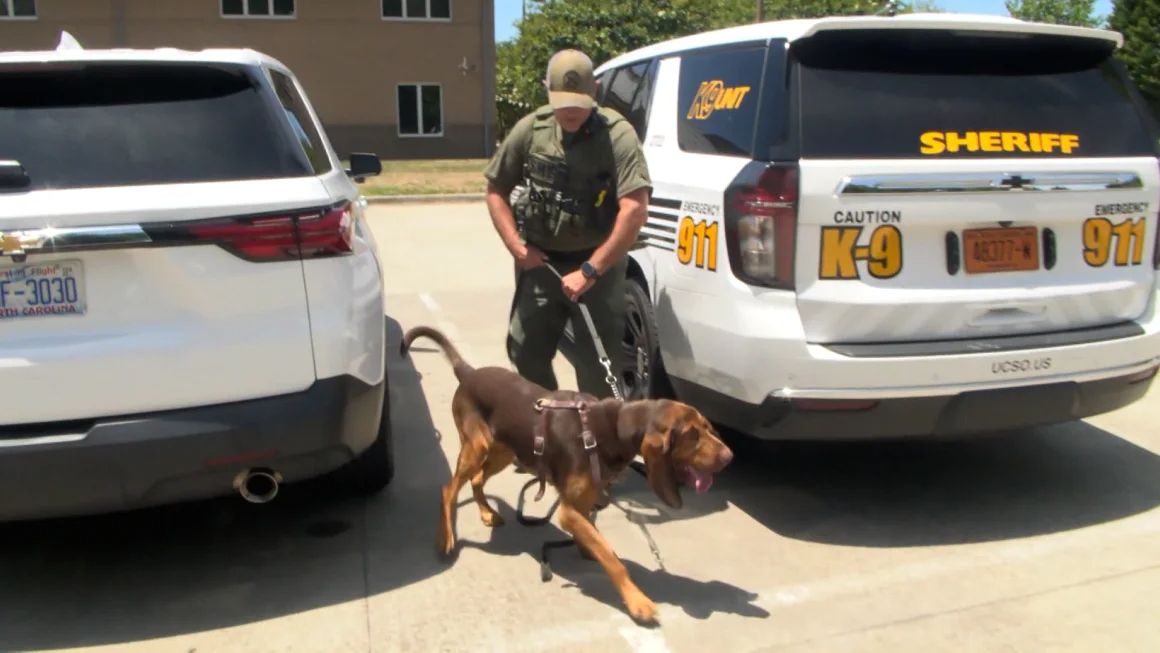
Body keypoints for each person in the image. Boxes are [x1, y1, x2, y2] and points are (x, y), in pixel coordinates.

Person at [483, 48, 651, 400]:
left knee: (597, 367)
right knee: (525, 350)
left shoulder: (617, 136)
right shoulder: (531, 129)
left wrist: (591, 270)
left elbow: (634, 209)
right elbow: (496, 189)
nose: (570, 110)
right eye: (561, 100)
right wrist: (516, 245)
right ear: (546, 89)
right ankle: (549, 431)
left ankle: (597, 446)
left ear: (596, 89)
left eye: (579, 99)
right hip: (541, 262)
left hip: (598, 266)